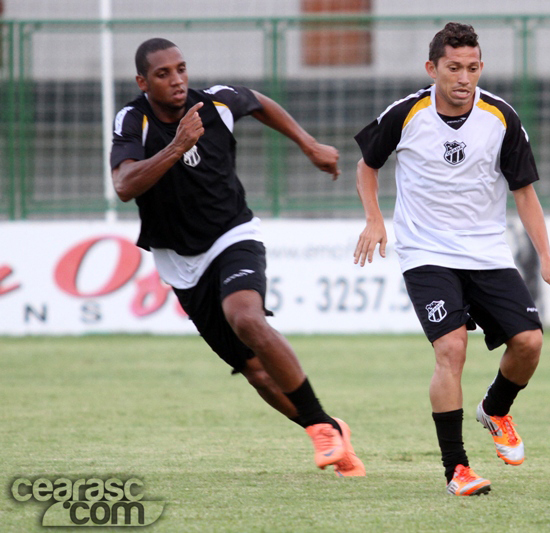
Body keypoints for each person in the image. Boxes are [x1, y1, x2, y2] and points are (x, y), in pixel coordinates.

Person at [110, 38, 364, 477]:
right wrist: (175, 147)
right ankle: (328, 427)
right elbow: (124, 184)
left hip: (233, 234)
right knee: (257, 374)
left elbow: (258, 101)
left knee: (246, 318)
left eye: (181, 69)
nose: (177, 80)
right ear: (142, 81)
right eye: (163, 74)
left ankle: (321, 429)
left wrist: (307, 143)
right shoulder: (134, 119)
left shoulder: (216, 103)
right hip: (180, 260)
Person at [353, 22, 550, 495]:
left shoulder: (501, 118)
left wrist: (547, 258)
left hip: (487, 251)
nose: (463, 77)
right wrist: (374, 219)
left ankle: (495, 409)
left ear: (481, 68)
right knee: (451, 350)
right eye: (453, 68)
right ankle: (458, 470)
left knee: (529, 342)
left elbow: (525, 194)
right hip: (425, 253)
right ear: (432, 69)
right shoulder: (406, 114)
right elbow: (367, 166)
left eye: (472, 68)